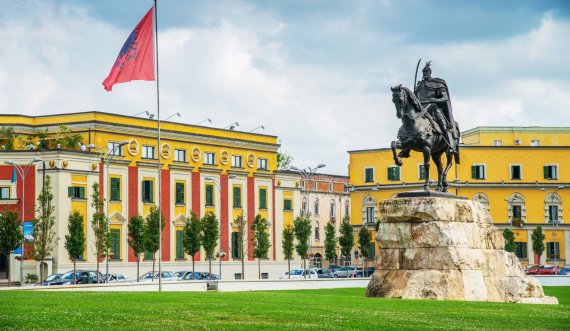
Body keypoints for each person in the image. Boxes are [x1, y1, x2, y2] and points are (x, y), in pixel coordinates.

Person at [414, 61, 456, 154]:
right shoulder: (419, 85)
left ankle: (450, 146)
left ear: (430, 72)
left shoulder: (437, 83)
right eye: (424, 72)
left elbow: (445, 98)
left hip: (433, 108)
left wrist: (434, 100)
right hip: (420, 111)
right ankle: (406, 148)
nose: (426, 73)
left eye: (427, 72)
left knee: (443, 126)